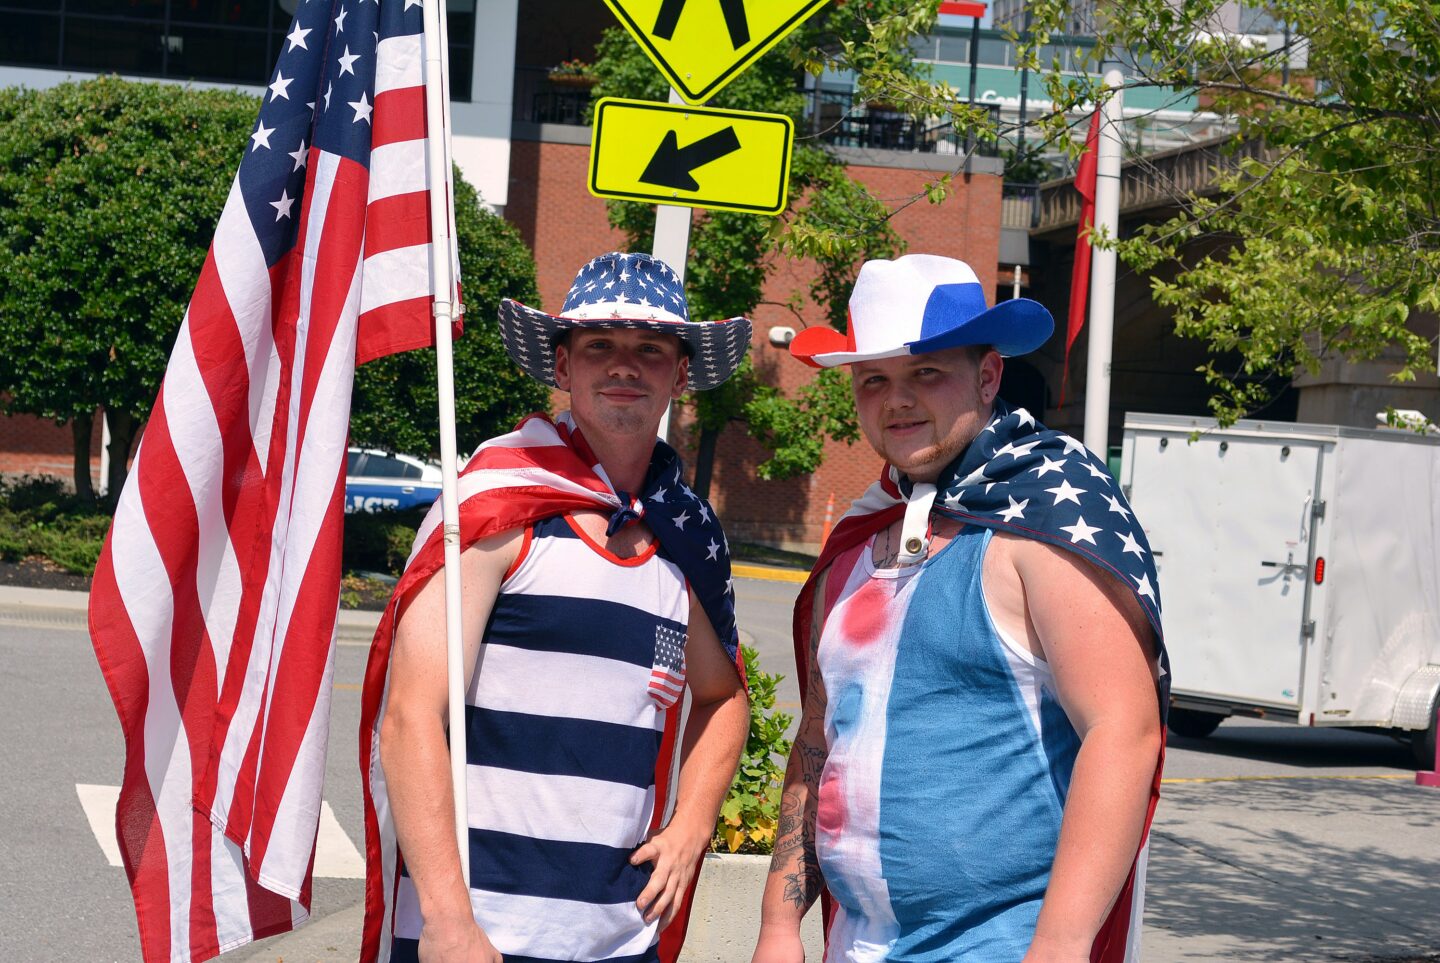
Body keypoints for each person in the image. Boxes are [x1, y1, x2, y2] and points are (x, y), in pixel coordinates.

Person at [751, 255, 1169, 963]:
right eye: (874, 379)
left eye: (926, 373)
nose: (898, 399)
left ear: (987, 375)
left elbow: (1123, 732)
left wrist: (1061, 946)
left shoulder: (1042, 523)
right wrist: (777, 924)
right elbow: (820, 738)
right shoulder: (860, 537)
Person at [357, 252, 753, 963]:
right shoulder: (493, 504)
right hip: (479, 936)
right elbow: (411, 713)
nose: (624, 364)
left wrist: (693, 823)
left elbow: (723, 695)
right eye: (599, 345)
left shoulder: (686, 534)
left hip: (617, 938)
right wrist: (448, 922)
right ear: (563, 367)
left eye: (651, 350)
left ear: (681, 374)